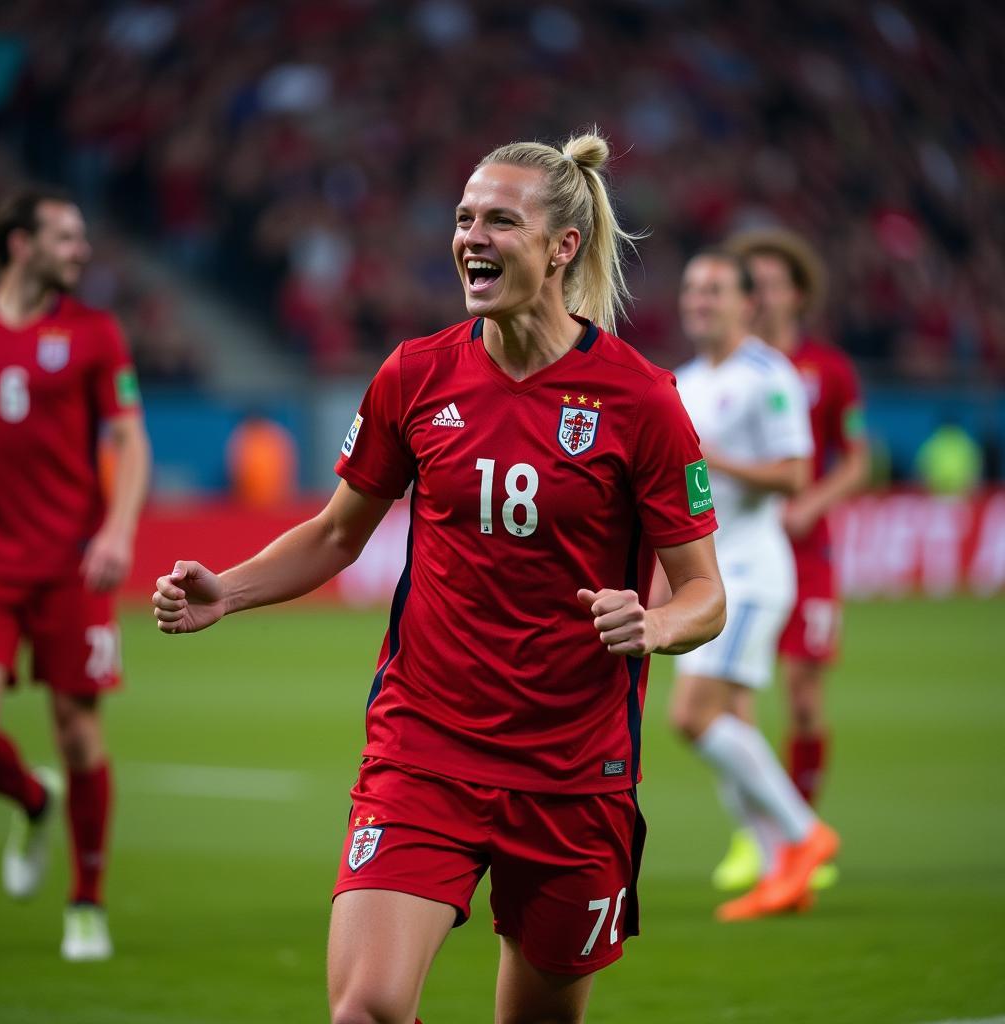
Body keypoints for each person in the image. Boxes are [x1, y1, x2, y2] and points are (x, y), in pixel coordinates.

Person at [153, 130, 726, 1024]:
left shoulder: (640, 400)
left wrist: (655, 624)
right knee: (368, 1010)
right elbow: (338, 535)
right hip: (426, 750)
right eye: (464, 220)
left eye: (501, 220)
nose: (472, 238)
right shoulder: (415, 375)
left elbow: (705, 594)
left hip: (576, 770)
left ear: (561, 247)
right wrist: (230, 587)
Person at [0, 189, 150, 960]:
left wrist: (117, 531)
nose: (81, 250)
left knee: (79, 735)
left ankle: (87, 901)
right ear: (20, 243)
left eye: (84, 237)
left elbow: (131, 439)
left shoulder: (94, 332)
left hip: (71, 561)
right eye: (66, 237)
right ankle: (32, 797)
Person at [663, 250, 839, 922]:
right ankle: (777, 874)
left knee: (693, 716)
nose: (699, 300)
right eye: (691, 288)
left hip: (750, 572)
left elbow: (796, 474)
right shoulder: (680, 382)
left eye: (714, 290)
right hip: (707, 570)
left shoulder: (769, 375)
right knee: (729, 721)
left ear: (746, 302)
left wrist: (717, 460)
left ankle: (803, 834)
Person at [720, 228, 869, 892]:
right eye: (750, 282)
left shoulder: (828, 370)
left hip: (807, 554)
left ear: (797, 294)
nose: (760, 295)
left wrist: (812, 504)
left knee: (805, 698)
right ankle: (759, 840)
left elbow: (859, 459)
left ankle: (802, 825)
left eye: (772, 282)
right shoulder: (729, 369)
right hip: (743, 550)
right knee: (734, 699)